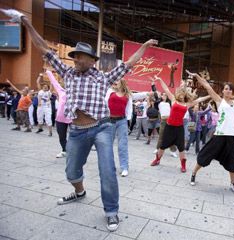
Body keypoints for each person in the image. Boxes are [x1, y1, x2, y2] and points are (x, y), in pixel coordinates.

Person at [1, 8, 158, 231]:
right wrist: (26, 22)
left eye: (79, 56)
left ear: (91, 60)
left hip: (102, 128)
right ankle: (79, 191)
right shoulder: (67, 73)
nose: (75, 59)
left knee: (107, 169)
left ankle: (111, 211)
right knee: (71, 172)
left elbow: (129, 64)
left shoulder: (103, 78)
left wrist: (144, 46)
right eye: (74, 56)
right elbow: (43, 48)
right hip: (76, 130)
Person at [187, 70, 234, 195]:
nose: (228, 91)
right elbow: (207, 86)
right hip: (219, 136)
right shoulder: (218, 100)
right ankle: (194, 173)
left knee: (232, 162)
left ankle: (233, 184)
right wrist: (196, 77)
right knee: (205, 156)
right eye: (226, 89)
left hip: (232, 137)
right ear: (222, 91)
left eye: (230, 89)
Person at [150, 75, 210, 172]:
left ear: (185, 95)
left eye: (183, 94)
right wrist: (160, 79)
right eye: (180, 93)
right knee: (163, 146)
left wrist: (210, 95)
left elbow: (199, 100)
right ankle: (157, 160)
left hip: (179, 128)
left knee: (181, 148)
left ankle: (183, 166)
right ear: (178, 94)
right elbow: (166, 88)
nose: (181, 95)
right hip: (169, 127)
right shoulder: (173, 100)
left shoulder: (187, 104)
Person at [105, 80, 154, 177]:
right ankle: (108, 167)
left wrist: (148, 93)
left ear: (122, 83)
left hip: (122, 121)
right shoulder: (110, 91)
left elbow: (138, 95)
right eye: (114, 82)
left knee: (122, 145)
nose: (115, 83)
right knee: (107, 145)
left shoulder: (127, 94)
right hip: (110, 121)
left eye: (117, 82)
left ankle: (124, 167)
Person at [46, 70, 72, 158]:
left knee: (74, 136)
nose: (63, 83)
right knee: (61, 136)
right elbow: (53, 81)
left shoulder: (75, 91)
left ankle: (73, 151)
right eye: (63, 81)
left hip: (72, 118)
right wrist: (48, 71)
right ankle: (64, 150)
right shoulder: (60, 90)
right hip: (60, 118)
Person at [154, 92, 178, 157]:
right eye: (163, 95)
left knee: (171, 136)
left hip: (170, 120)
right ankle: (157, 148)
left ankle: (173, 151)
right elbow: (155, 97)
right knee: (161, 135)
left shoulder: (169, 103)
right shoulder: (159, 103)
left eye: (165, 95)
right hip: (163, 120)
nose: (164, 96)